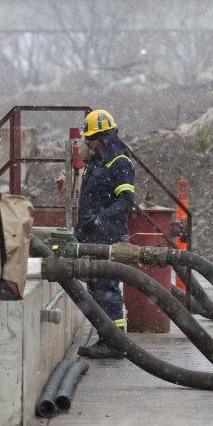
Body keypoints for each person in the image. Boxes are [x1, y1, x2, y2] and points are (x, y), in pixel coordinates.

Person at [73, 109, 135, 359]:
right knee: (97, 289)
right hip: (93, 236)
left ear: (104, 136)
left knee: (107, 290)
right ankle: (106, 338)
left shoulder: (119, 162)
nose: (87, 144)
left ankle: (115, 343)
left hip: (108, 237)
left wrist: (100, 219)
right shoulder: (98, 161)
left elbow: (126, 201)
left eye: (90, 139)